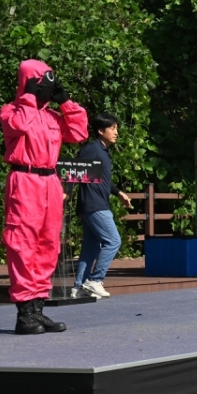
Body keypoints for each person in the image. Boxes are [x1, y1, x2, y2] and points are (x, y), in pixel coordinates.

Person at [0, 60, 88, 334]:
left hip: (50, 181)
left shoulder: (52, 117)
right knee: (22, 243)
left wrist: (65, 102)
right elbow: (18, 126)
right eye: (42, 82)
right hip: (24, 180)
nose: (46, 88)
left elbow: (78, 133)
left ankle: (37, 308)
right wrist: (28, 96)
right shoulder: (11, 111)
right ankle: (25, 313)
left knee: (48, 244)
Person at [72, 113, 132, 298]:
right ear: (100, 130)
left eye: (116, 128)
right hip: (94, 205)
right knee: (113, 241)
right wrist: (66, 192)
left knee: (91, 246)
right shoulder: (92, 149)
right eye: (112, 128)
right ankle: (95, 280)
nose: (116, 132)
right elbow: (75, 169)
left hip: (93, 204)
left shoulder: (102, 151)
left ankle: (79, 287)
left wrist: (118, 192)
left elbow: (101, 178)